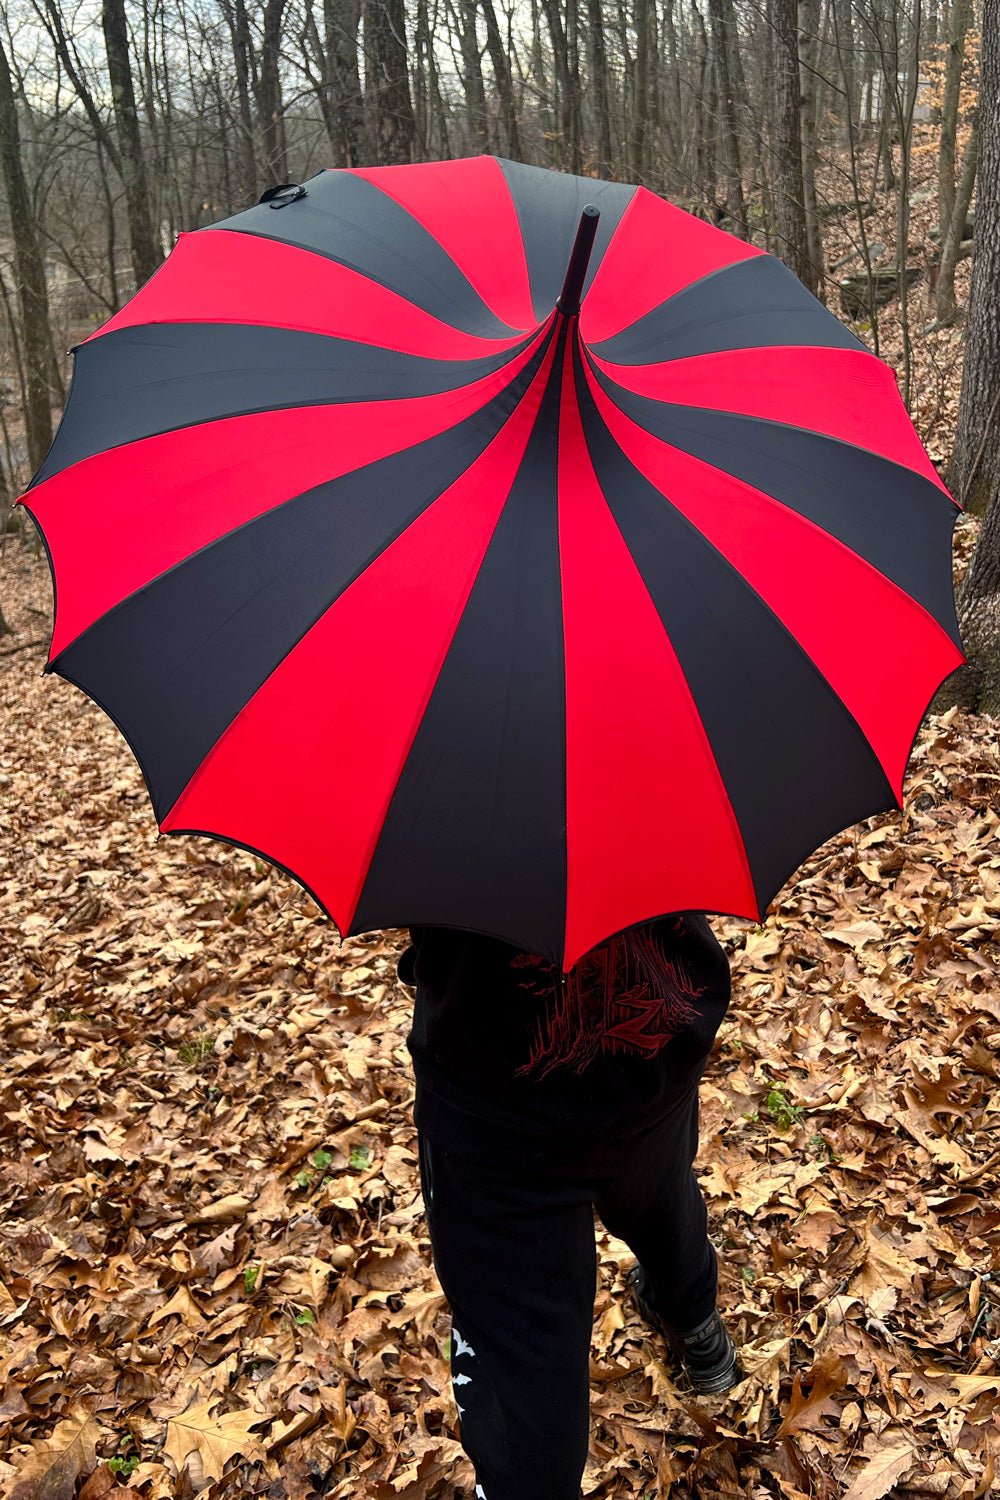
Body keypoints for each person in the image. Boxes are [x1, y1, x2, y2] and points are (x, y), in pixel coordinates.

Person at [396, 912, 743, 1500]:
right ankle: (699, 1332)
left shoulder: (441, 821)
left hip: (498, 1110)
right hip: (652, 1052)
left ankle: (528, 1487)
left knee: (520, 1347)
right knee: (659, 1195)